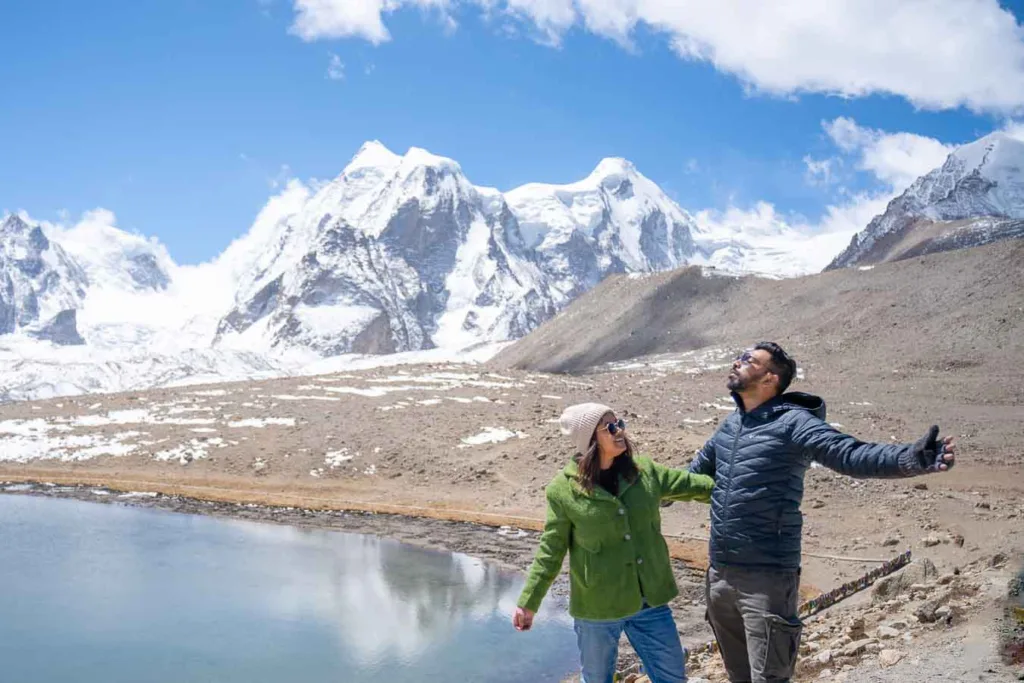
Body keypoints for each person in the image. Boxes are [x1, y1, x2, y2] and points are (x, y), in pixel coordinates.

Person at [686, 341, 956, 683]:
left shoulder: (794, 423)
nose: (737, 362)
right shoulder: (731, 425)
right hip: (720, 576)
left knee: (769, 678)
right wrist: (635, 486)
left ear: (770, 378)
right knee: (737, 676)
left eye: (748, 360)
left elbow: (849, 454)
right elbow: (691, 476)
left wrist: (909, 459)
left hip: (766, 579)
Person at [513, 402, 716, 683]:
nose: (619, 430)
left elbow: (696, 486)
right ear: (590, 439)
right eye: (610, 427)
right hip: (598, 608)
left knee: (673, 678)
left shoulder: (644, 470)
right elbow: (551, 550)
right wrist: (528, 603)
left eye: (620, 423)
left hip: (650, 601)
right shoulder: (562, 490)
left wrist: (742, 489)